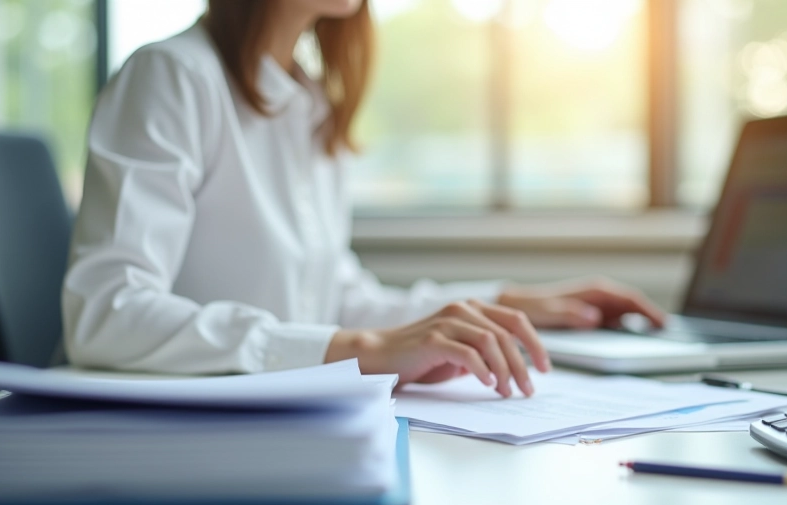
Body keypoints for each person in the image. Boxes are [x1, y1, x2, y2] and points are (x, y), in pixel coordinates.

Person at [62, 0, 665, 398]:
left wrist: (505, 305)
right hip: (165, 431)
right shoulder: (171, 76)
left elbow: (333, 295)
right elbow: (106, 312)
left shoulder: (311, 103)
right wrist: (358, 350)